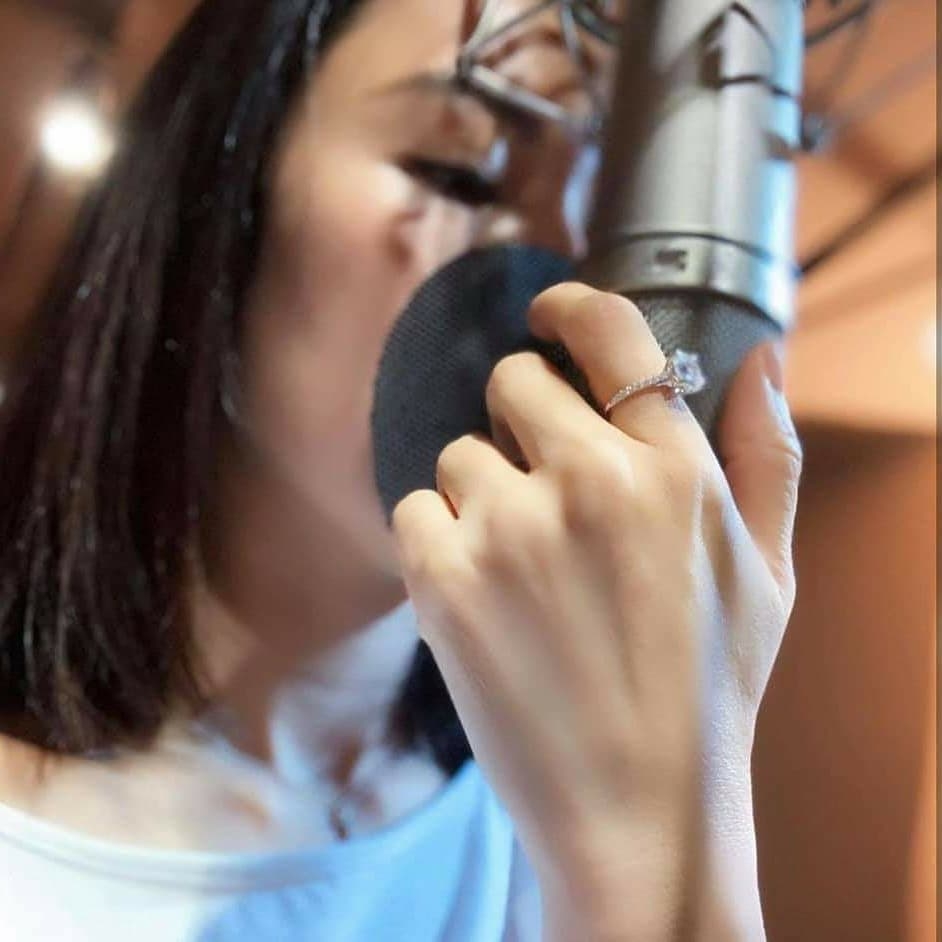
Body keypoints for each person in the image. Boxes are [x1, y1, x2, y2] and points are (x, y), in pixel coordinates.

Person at [0, 0, 802, 939]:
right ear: (219, 200)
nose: (561, 271)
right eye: (459, 171)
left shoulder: (544, 828)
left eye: (603, 215)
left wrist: (665, 839)